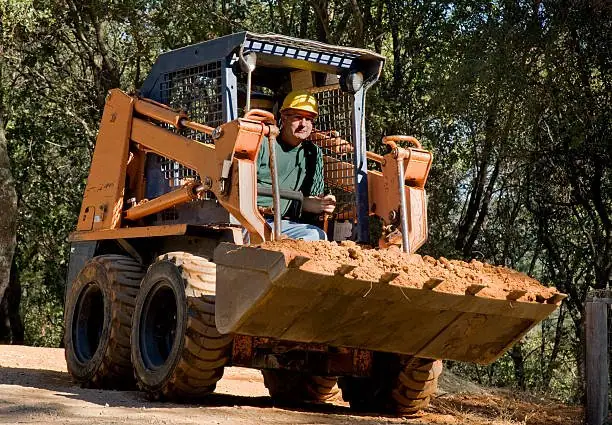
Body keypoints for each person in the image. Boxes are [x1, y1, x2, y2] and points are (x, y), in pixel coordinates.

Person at [256, 90, 336, 241]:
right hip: (253, 220)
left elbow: (306, 202)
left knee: (317, 235)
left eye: (309, 119)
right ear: (284, 118)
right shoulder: (263, 144)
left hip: (283, 222)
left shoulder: (312, 153)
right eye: (298, 117)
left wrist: (322, 204)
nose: (304, 124)